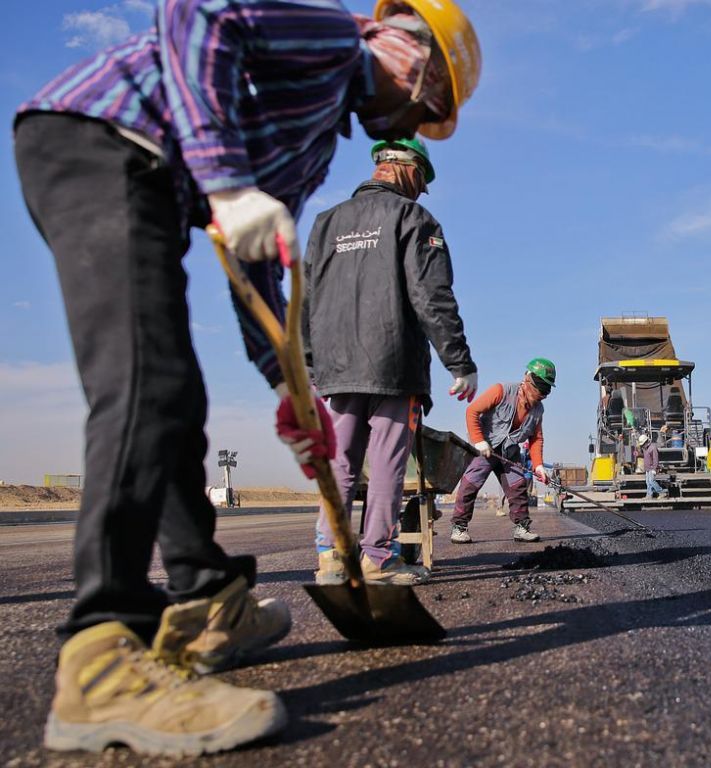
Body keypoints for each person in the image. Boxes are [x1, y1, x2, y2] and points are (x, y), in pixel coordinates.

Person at [13, 0, 480, 756]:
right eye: (427, 105)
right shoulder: (332, 37)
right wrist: (227, 183)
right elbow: (196, 14)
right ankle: (102, 658)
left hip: (149, 177)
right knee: (144, 388)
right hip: (97, 139)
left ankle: (206, 599)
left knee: (176, 401)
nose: (417, 119)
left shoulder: (314, 145)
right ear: (410, 56)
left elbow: (256, 257)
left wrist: (286, 383)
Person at [304, 137, 477, 586]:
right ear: (408, 168)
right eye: (422, 181)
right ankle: (377, 558)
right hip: (393, 363)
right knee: (385, 463)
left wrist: (309, 362)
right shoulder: (413, 218)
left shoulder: (325, 224)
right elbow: (432, 296)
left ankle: (331, 557)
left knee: (339, 460)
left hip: (335, 368)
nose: (421, 191)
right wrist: (459, 362)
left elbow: (305, 299)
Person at [451, 359, 556, 544]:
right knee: (470, 484)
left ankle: (522, 528)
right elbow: (472, 411)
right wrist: (479, 441)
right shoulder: (501, 391)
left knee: (518, 487)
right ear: (527, 379)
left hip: (509, 452)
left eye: (546, 390)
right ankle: (459, 528)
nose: (542, 394)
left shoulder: (538, 410)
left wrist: (539, 466)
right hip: (485, 447)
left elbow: (536, 438)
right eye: (539, 388)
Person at [639, 434, 666, 499]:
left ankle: (661, 492)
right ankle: (649, 495)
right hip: (647, 468)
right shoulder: (645, 448)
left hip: (651, 468)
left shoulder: (653, 447)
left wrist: (654, 468)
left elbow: (656, 459)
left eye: (643, 444)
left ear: (646, 441)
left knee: (652, 481)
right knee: (648, 482)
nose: (642, 445)